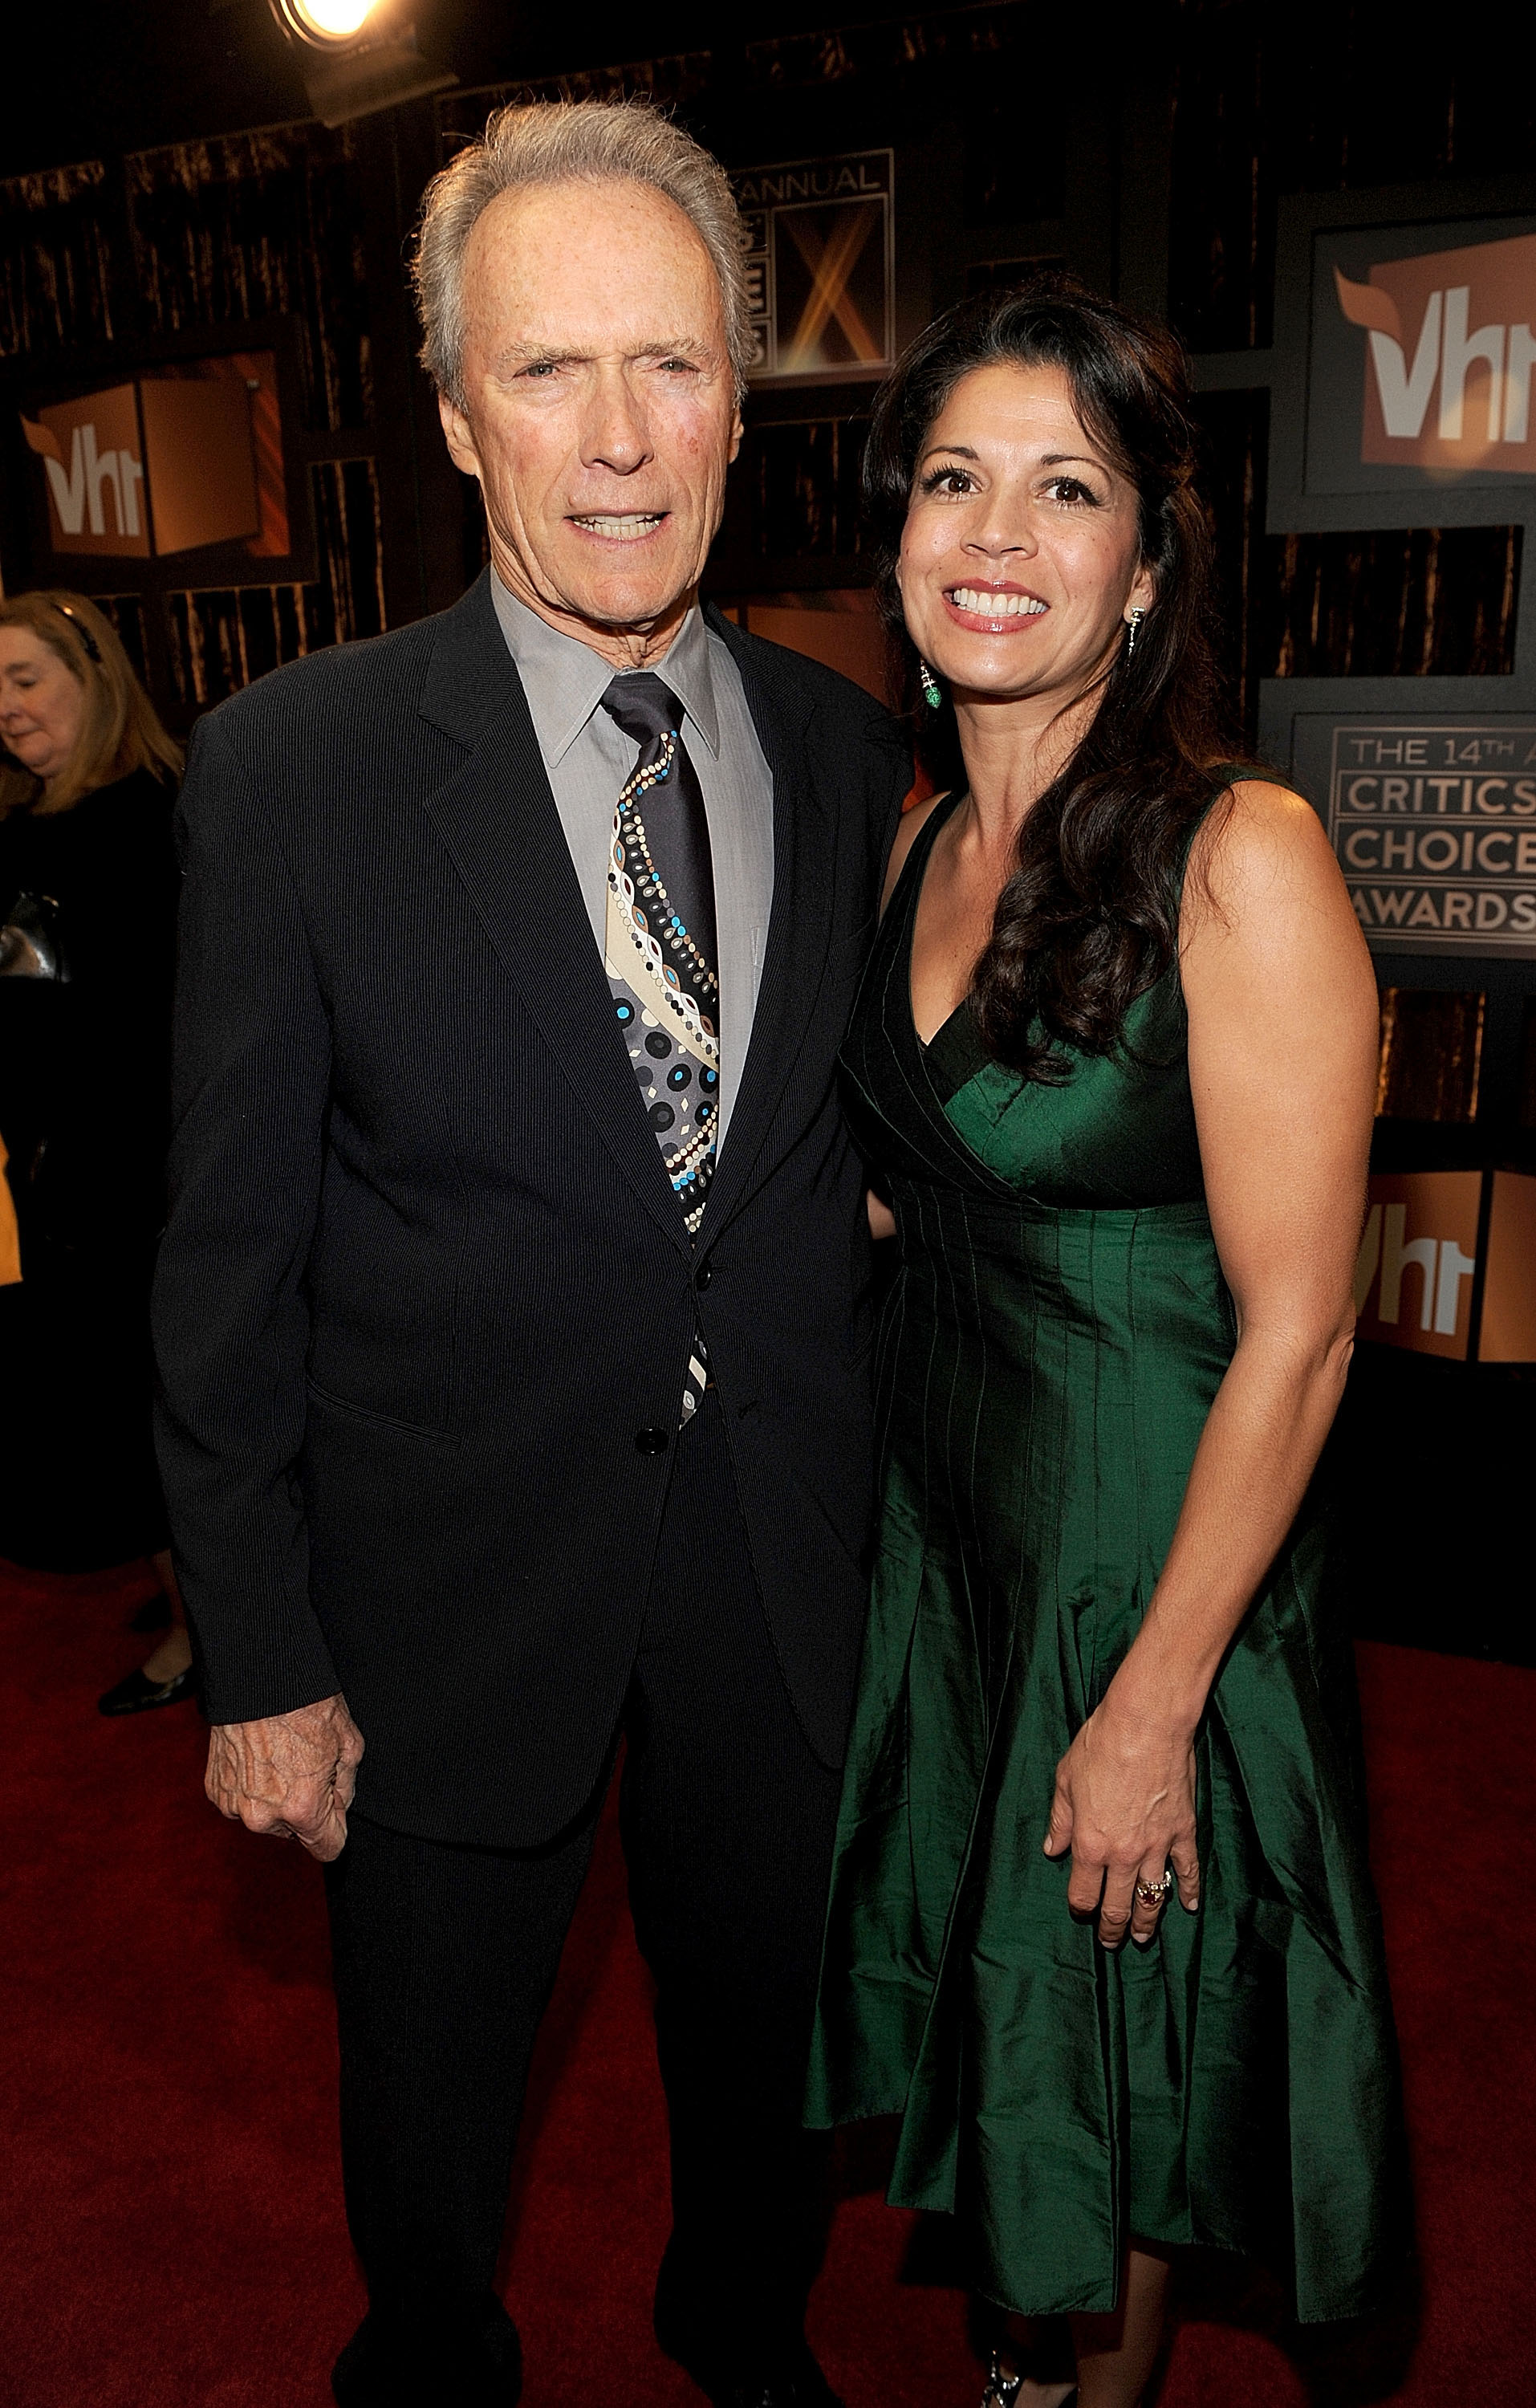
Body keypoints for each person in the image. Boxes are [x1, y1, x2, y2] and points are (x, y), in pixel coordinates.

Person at [151, 99, 909, 2408]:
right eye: (547, 372)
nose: (616, 439)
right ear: (458, 412)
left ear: (742, 400)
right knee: (436, 2086)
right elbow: (222, 1252)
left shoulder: (853, 745)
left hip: (782, 1561)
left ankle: (736, 2318)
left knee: (770, 2047)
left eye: (669, 366)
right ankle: (438, 2346)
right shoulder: (293, 768)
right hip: (446, 1574)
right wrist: (257, 1651)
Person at [806, 279, 1409, 2408]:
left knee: (1125, 2038)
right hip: (960, 1543)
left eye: (1065, 491)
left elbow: (1309, 1330)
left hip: (1156, 1555)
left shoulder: (1241, 857)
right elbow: (908, 1189)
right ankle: (1029, 2373)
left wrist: (1156, 1704)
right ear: (894, 540)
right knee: (1028, 2015)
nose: (996, 529)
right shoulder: (904, 848)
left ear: (1145, 566)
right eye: (954, 479)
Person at [0, 590, 191, 1710]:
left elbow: (155, 1024)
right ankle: (186, 1588)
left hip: (139, 1179)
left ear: (94, 676)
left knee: (150, 1407)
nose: (8, 709)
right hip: (58, 1175)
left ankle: (207, 1630)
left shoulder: (150, 823)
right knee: (116, 1409)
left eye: (26, 680)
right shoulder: (29, 821)